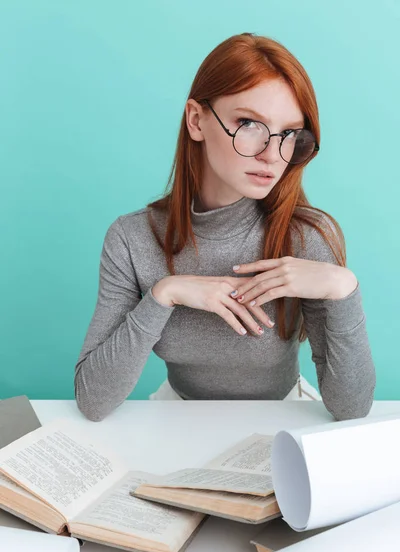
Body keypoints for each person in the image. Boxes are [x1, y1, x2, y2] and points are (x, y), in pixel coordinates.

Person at [74, 33, 376, 422]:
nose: (272, 154)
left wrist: (343, 289)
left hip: (285, 417)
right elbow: (92, 402)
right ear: (197, 120)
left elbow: (352, 409)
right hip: (176, 417)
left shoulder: (305, 237)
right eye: (249, 123)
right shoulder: (132, 239)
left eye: (288, 134)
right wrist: (164, 293)